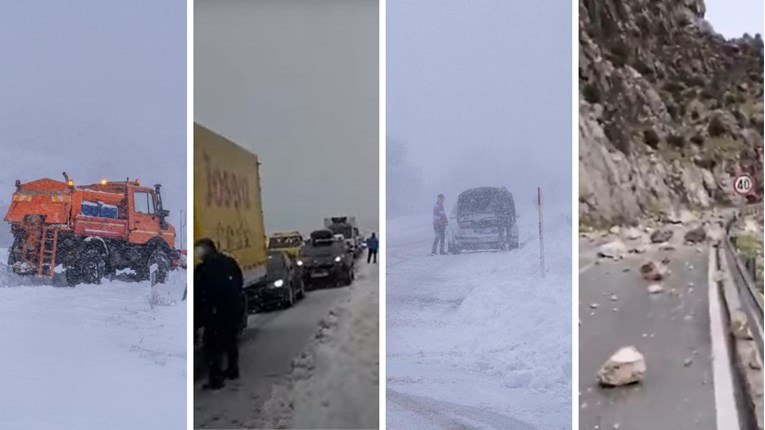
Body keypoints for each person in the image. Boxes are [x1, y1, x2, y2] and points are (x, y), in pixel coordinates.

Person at [194, 238, 244, 390]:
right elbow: (239, 281)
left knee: (212, 347)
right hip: (230, 310)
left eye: (200, 250)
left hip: (215, 312)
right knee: (230, 342)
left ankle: (216, 379)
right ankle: (232, 370)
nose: (199, 254)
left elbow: (198, 293)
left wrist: (199, 317)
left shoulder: (204, 269)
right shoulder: (228, 262)